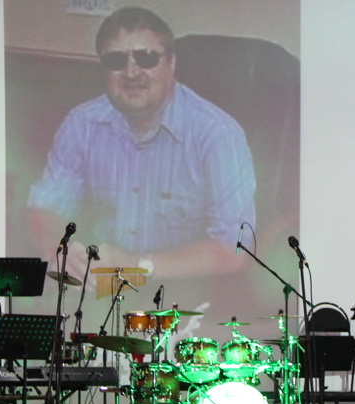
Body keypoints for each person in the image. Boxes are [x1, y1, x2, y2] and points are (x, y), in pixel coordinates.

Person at [27, 6, 256, 281]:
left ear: (171, 63)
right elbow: (47, 205)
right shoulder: (82, 124)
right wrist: (55, 248)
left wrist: (136, 266)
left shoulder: (218, 135)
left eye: (146, 58)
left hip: (181, 288)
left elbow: (235, 249)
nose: (131, 72)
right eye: (116, 60)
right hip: (100, 283)